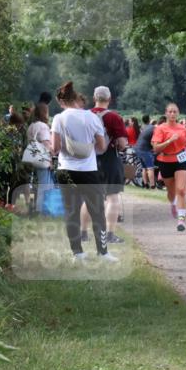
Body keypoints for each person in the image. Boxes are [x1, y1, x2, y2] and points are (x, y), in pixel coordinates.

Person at [49, 81, 116, 263]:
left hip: (66, 171)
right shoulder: (92, 118)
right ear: (77, 98)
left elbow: (55, 149)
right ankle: (103, 253)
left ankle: (77, 253)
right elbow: (102, 147)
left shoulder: (58, 119)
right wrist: (88, 147)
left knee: (71, 212)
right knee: (97, 212)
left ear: (61, 101)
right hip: (88, 171)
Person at [86, 86, 128, 245]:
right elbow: (123, 144)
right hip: (110, 159)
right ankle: (109, 234)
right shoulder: (114, 117)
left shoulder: (85, 115)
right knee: (112, 197)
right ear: (109, 99)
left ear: (94, 97)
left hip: (89, 160)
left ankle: (83, 233)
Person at [151, 103, 186, 232]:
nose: (172, 114)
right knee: (171, 190)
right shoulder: (160, 128)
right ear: (166, 113)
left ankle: (181, 220)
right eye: (170, 112)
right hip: (165, 160)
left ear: (178, 113)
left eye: (175, 112)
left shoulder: (183, 128)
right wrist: (169, 141)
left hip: (181, 159)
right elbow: (156, 148)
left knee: (181, 190)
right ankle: (173, 203)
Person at [26, 102, 55, 216]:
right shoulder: (42, 126)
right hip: (43, 158)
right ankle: (43, 210)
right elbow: (47, 144)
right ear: (44, 113)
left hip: (34, 157)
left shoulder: (31, 126)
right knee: (46, 184)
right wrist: (52, 156)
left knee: (40, 184)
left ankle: (38, 209)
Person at [135, 115, 157, 189]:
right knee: (150, 168)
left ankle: (145, 184)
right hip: (144, 149)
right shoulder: (154, 129)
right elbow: (154, 141)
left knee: (144, 168)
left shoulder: (145, 127)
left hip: (138, 148)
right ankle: (152, 186)